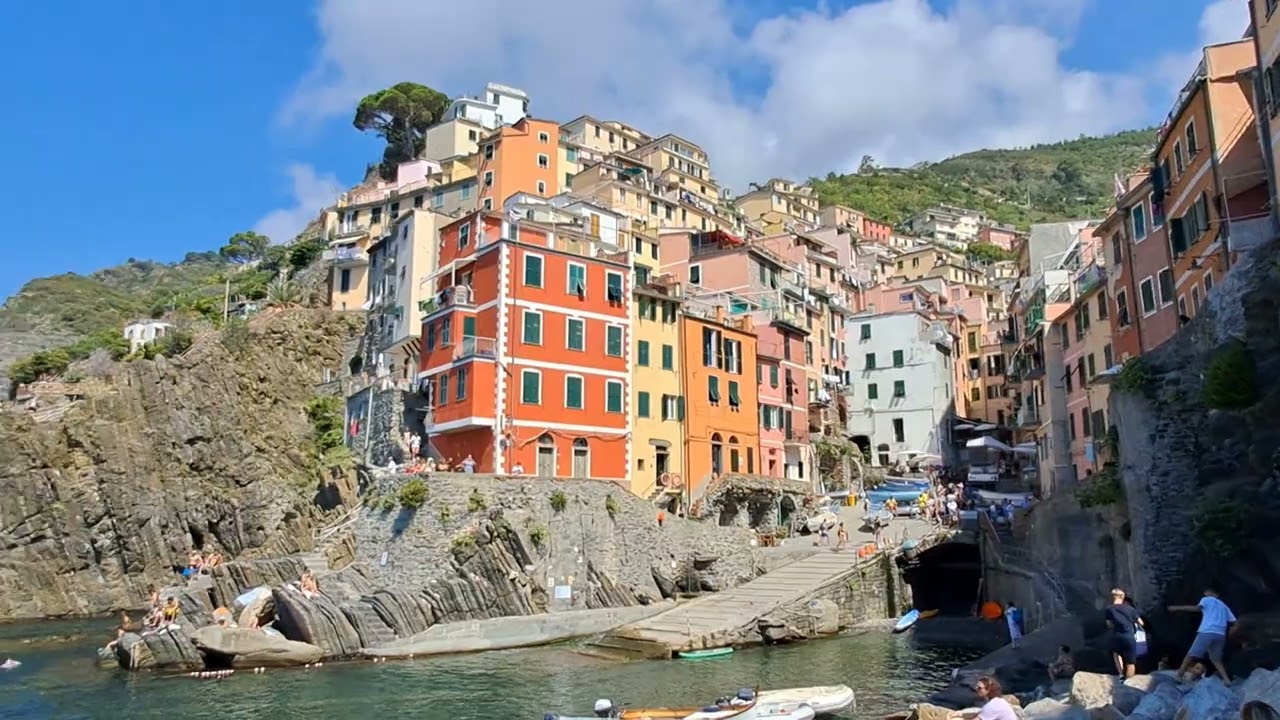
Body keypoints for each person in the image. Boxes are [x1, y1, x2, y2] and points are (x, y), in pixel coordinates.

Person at [1169, 587, 1237, 685]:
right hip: (1220, 634)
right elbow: (1234, 621)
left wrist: (1176, 608)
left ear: (1209, 593)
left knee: (1191, 654)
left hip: (1207, 631)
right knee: (1216, 659)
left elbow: (1196, 608)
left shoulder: (1206, 600)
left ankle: (1179, 675)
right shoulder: (1224, 605)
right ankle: (1227, 680)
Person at [1104, 588, 1144, 677]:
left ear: (1112, 597)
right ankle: (1129, 682)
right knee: (1131, 662)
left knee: (1116, 653)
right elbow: (1141, 622)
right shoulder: (1130, 609)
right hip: (1129, 636)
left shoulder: (1109, 609)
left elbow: (1109, 624)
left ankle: (1121, 674)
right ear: (1122, 596)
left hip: (1117, 636)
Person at [948, 675, 1017, 720]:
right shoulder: (998, 701)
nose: (976, 689)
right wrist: (961, 714)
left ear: (988, 690)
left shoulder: (993, 705)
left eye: (980, 688)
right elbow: (982, 713)